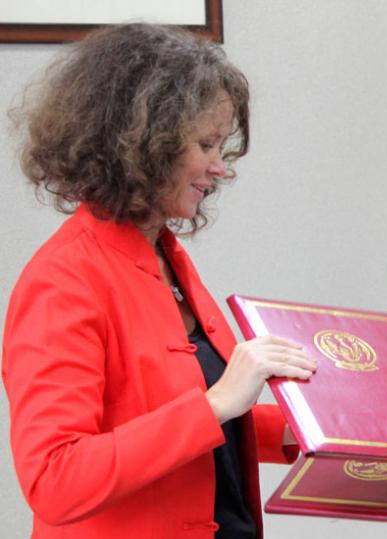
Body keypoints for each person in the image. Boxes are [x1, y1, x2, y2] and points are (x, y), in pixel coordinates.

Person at [2, 24, 317, 538]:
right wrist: (216, 403)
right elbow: (55, 478)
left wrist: (315, 426)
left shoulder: (164, 254)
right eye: (206, 144)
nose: (221, 169)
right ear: (145, 145)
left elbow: (188, 419)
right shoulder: (62, 279)